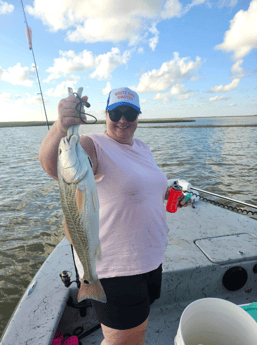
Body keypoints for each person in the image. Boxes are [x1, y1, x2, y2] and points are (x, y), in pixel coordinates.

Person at [39, 87, 172, 345]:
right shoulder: (92, 144)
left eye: (130, 112)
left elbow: (143, 186)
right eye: (116, 112)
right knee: (123, 341)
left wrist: (166, 191)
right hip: (116, 270)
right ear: (107, 113)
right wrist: (61, 127)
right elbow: (54, 166)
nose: (123, 119)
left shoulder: (143, 148)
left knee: (137, 333)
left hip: (151, 261)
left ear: (138, 116)